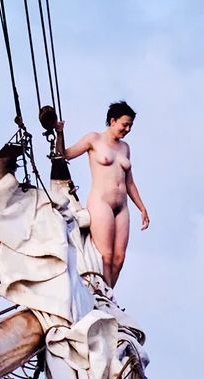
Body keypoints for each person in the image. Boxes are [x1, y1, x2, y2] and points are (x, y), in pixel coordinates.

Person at [64, 100, 149, 288]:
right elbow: (64, 154)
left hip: (122, 205)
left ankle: (108, 293)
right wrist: (59, 132)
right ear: (113, 121)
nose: (127, 129)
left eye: (130, 126)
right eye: (124, 124)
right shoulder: (94, 139)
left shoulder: (125, 147)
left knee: (119, 258)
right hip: (101, 202)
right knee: (106, 255)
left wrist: (142, 208)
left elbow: (130, 182)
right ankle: (100, 292)